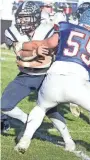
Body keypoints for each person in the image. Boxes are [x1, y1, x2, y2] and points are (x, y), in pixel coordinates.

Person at [15, 8, 90, 160]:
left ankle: (26, 138)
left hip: (53, 80)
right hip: (77, 83)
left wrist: (23, 46)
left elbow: (47, 43)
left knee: (40, 107)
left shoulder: (66, 28)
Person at [1, 1, 75, 151]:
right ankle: (27, 120)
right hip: (25, 75)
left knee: (52, 111)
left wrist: (36, 48)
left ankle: (68, 140)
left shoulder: (47, 30)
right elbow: (20, 55)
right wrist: (35, 51)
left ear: (35, 17)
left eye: (27, 18)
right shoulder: (13, 32)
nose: (23, 22)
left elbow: (49, 53)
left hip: (46, 76)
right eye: (21, 18)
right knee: (4, 105)